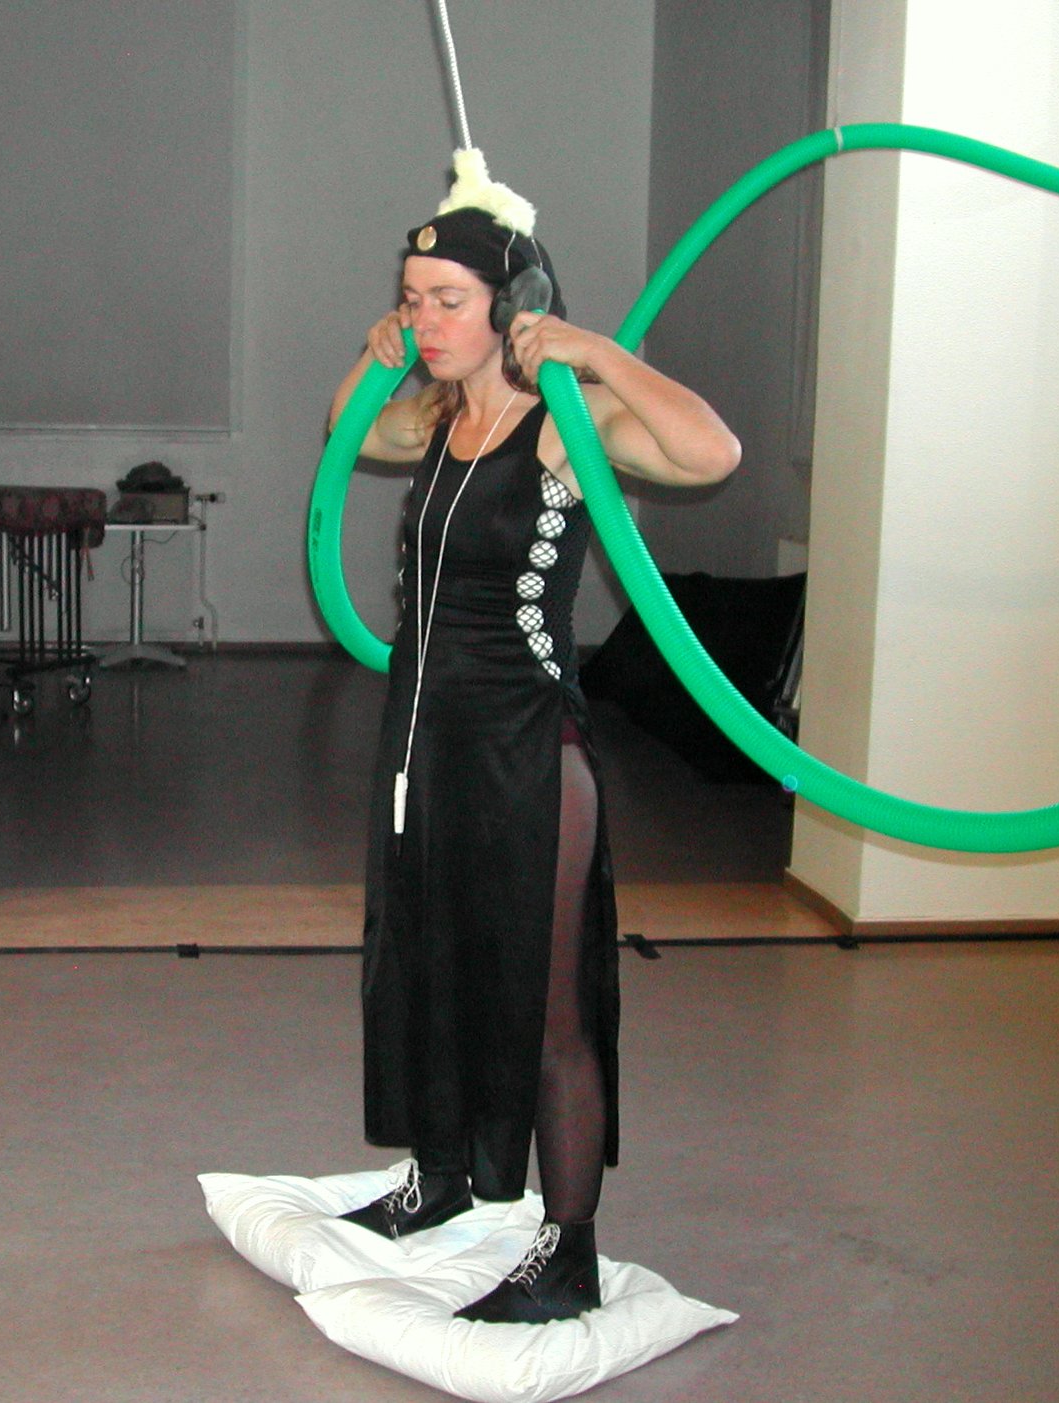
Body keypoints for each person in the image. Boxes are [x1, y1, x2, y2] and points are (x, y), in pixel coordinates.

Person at [327, 151, 739, 1325]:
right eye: (411, 298)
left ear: (516, 307)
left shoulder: (565, 425)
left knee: (546, 1002)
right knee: (424, 961)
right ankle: (444, 1174)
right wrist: (377, 354)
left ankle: (567, 1249)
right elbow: (346, 430)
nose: (424, 319)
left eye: (445, 300)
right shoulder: (435, 414)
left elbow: (711, 452)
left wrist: (596, 353)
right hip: (421, 743)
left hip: (524, 752)